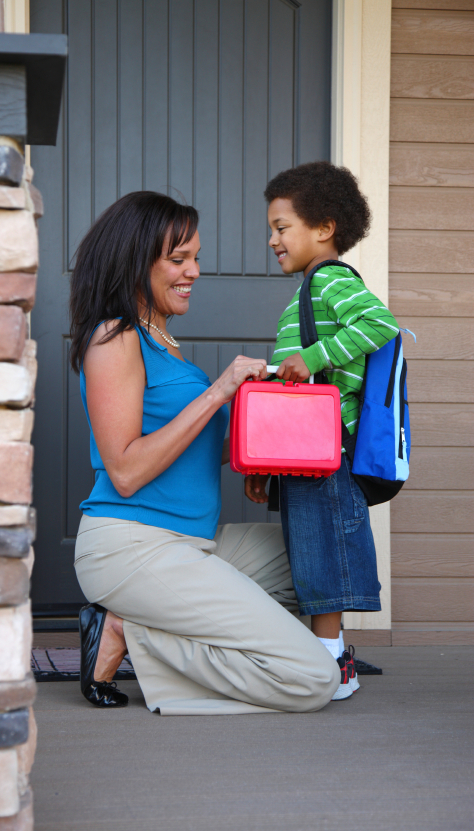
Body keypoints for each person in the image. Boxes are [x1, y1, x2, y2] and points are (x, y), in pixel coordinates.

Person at [69, 190, 340, 714]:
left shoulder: (164, 341)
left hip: (194, 542)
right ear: (134, 261)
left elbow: (191, 447)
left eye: (195, 258)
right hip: (131, 546)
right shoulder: (114, 338)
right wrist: (219, 391)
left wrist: (256, 453)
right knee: (311, 678)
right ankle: (128, 632)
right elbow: (125, 469)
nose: (193, 271)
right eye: (178, 260)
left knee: (318, 551)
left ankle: (146, 622)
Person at [245, 161, 400, 700]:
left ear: (324, 228)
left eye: (281, 227)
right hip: (303, 450)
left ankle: (331, 665)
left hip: (327, 450)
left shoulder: (331, 278)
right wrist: (266, 463)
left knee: (323, 557)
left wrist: (311, 355)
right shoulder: (309, 289)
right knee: (310, 553)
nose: (272, 240)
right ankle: (326, 658)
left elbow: (381, 325)